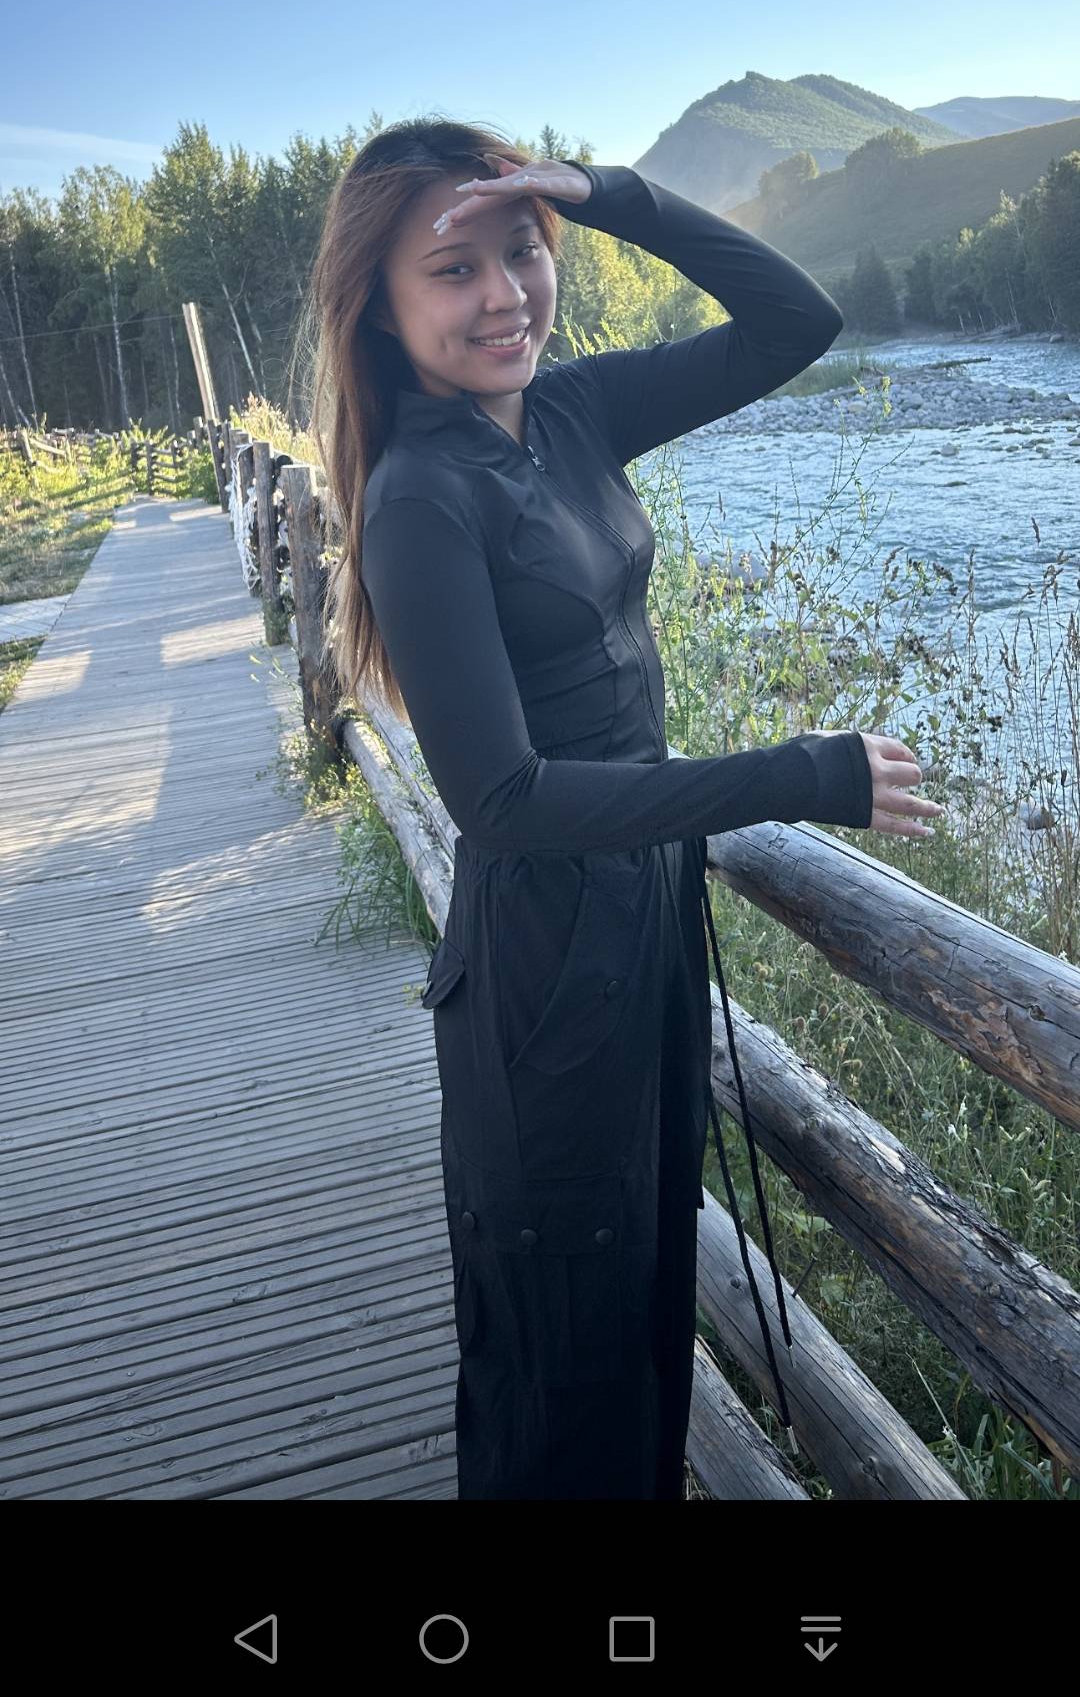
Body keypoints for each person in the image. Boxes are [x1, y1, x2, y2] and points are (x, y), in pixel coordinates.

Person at [308, 117, 945, 1501]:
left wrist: (609, 196)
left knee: (645, 1303)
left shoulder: (571, 413)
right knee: (562, 1354)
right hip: (545, 968)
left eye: (522, 251)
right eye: (454, 270)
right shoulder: (420, 498)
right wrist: (804, 774)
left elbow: (797, 319)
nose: (504, 296)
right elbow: (506, 802)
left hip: (641, 919)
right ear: (381, 309)